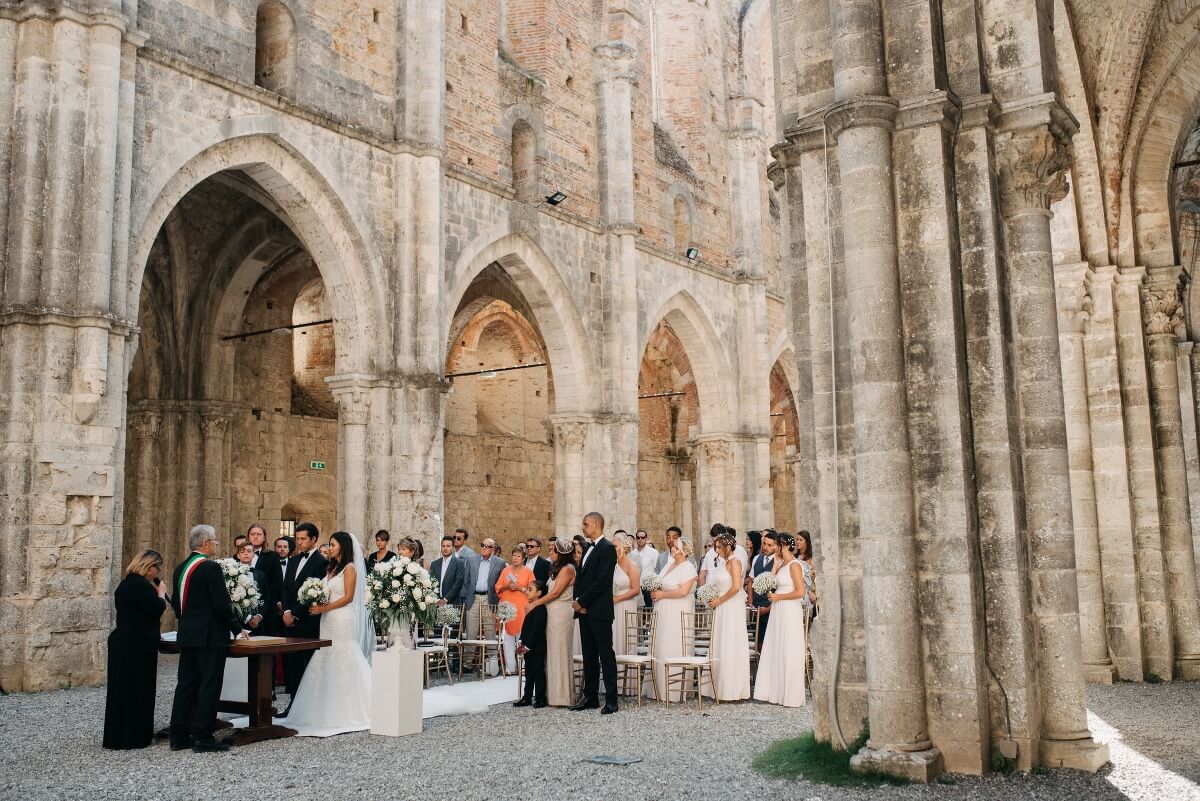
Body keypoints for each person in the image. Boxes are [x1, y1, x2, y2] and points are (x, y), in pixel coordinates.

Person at [278, 531, 374, 736]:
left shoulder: (350, 568)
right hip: (326, 619)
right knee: (324, 657)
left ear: (343, 546)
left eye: (333, 544)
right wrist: (316, 601)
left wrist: (324, 608)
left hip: (341, 617)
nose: (329, 547)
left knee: (342, 654)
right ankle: (319, 708)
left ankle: (348, 707)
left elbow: (348, 597)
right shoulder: (331, 568)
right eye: (329, 544)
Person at [169, 525, 247, 753]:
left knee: (185, 685)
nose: (216, 544)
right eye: (214, 540)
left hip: (188, 634)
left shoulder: (181, 568)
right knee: (209, 684)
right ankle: (203, 737)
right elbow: (221, 604)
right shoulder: (210, 568)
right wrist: (236, 627)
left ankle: (179, 735)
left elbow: (177, 603)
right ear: (204, 544)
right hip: (210, 636)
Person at [104, 549, 169, 749]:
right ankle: (136, 736)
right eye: (157, 567)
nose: (157, 572)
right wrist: (161, 595)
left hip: (123, 643)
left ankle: (118, 735)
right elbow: (155, 609)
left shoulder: (126, 584)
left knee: (122, 691)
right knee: (138, 689)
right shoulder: (141, 586)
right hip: (137, 645)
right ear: (148, 567)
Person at [753, 533, 808, 707]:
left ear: (783, 546)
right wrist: (776, 565)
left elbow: (800, 592)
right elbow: (771, 583)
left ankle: (790, 695)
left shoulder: (794, 565)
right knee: (777, 647)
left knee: (788, 647)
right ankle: (776, 692)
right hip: (778, 610)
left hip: (789, 610)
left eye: (776, 545)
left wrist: (779, 597)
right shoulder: (782, 564)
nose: (772, 548)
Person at [572, 512, 619, 714]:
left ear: (597, 525)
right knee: (589, 655)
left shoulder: (608, 549)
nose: (583, 527)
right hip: (584, 611)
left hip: (599, 611)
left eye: (586, 524)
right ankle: (590, 696)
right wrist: (578, 603)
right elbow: (581, 579)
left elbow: (602, 582)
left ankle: (611, 700)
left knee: (605, 655)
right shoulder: (588, 548)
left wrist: (582, 601)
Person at [280, 522, 327, 703]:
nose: (299, 542)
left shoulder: (321, 563)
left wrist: (295, 614)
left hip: (307, 622)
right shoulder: (292, 560)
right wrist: (286, 611)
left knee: (307, 665)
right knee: (292, 665)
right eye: (297, 539)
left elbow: (314, 594)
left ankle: (307, 704)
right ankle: (292, 703)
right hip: (288, 620)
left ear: (313, 539)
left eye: (302, 539)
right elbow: (285, 589)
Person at [647, 535, 698, 701]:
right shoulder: (668, 564)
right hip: (662, 609)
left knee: (673, 642)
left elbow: (683, 591)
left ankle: (676, 689)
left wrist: (663, 594)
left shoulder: (688, 568)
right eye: (673, 547)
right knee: (661, 642)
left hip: (678, 610)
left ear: (684, 551)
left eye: (676, 547)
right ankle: (658, 687)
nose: (673, 549)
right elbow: (660, 581)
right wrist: (654, 591)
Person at [704, 530, 751, 700]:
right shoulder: (723, 563)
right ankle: (718, 685)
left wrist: (719, 600)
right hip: (723, 604)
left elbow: (736, 587)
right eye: (715, 547)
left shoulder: (735, 562)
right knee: (721, 641)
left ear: (728, 547)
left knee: (730, 641)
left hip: (730, 605)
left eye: (719, 547)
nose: (717, 551)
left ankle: (732, 687)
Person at [460, 537, 504, 671]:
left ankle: (492, 664)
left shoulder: (500, 563)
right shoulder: (471, 560)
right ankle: (467, 664)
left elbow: (500, 582)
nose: (484, 547)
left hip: (489, 599)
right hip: (473, 598)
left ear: (493, 549)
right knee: (471, 631)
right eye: (482, 545)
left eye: (487, 546)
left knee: (490, 631)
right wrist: (466, 596)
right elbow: (466, 581)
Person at [496, 544, 534, 673]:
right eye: (514, 555)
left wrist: (520, 588)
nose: (515, 558)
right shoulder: (506, 571)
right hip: (507, 607)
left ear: (523, 558)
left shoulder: (528, 571)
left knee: (521, 636)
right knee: (507, 638)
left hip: (521, 607)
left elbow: (532, 590)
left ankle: (523, 667)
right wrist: (507, 586)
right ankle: (510, 668)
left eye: (518, 556)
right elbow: (498, 588)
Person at [514, 580, 549, 708]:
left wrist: (528, 645)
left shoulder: (540, 608)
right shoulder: (531, 606)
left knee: (538, 671)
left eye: (530, 589)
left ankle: (540, 698)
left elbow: (537, 628)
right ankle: (527, 697)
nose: (527, 591)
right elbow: (526, 626)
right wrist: (522, 640)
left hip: (537, 646)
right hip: (527, 644)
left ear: (539, 593)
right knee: (528, 672)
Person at [611, 532, 641, 655]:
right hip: (612, 605)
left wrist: (618, 598)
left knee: (624, 635)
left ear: (624, 547)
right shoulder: (613, 565)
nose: (612, 549)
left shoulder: (632, 566)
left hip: (626, 605)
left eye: (615, 546)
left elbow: (636, 589)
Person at [749, 530, 778, 649]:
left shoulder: (779, 561)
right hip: (756, 606)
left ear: (777, 546)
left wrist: (768, 608)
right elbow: (751, 580)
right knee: (757, 639)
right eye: (764, 544)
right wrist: (751, 602)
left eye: (769, 545)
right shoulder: (757, 558)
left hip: (771, 607)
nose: (765, 547)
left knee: (769, 641)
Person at [234, 540, 268, 632]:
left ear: (253, 554)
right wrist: (247, 617)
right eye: (242, 551)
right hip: (238, 623)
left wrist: (259, 616)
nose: (246, 554)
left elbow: (266, 597)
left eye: (249, 551)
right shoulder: (231, 574)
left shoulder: (260, 575)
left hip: (257, 623)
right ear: (238, 555)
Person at [431, 535, 465, 606]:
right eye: (443, 546)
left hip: (453, 603)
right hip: (436, 603)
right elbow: (432, 583)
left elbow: (458, 584)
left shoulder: (459, 563)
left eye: (448, 546)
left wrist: (445, 599)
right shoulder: (434, 564)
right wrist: (437, 599)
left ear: (453, 548)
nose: (445, 548)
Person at [632, 529, 658, 606]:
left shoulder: (653, 552)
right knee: (636, 611)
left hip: (648, 588)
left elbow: (657, 569)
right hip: (635, 588)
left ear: (646, 538)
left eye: (643, 537)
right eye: (638, 537)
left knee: (648, 612)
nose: (640, 539)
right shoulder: (632, 554)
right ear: (636, 539)